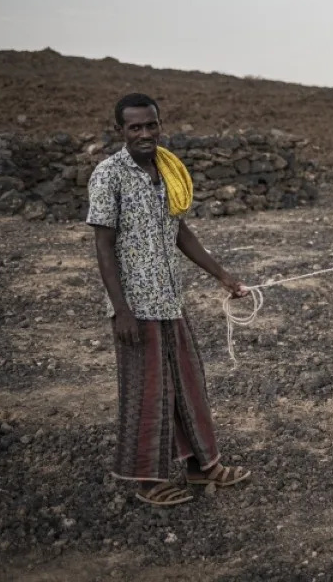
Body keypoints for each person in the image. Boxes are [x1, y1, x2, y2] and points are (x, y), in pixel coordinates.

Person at [88, 92, 252, 506]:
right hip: (136, 308)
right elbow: (103, 246)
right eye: (135, 127)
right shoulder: (109, 175)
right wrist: (120, 310)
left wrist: (222, 275)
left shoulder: (166, 170)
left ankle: (202, 466)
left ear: (161, 124)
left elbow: (178, 231)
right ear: (120, 131)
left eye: (151, 125)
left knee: (186, 382)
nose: (145, 133)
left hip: (168, 301)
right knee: (147, 391)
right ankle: (148, 480)